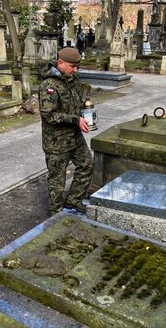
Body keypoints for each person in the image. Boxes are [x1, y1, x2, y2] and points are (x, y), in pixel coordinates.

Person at [38, 47, 93, 216]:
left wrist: (87, 110)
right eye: (72, 66)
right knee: (57, 178)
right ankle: (55, 213)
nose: (75, 70)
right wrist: (75, 120)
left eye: (77, 66)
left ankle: (74, 200)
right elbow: (49, 115)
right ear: (60, 63)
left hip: (74, 136)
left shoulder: (73, 78)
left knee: (86, 165)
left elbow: (78, 99)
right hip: (56, 141)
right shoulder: (49, 85)